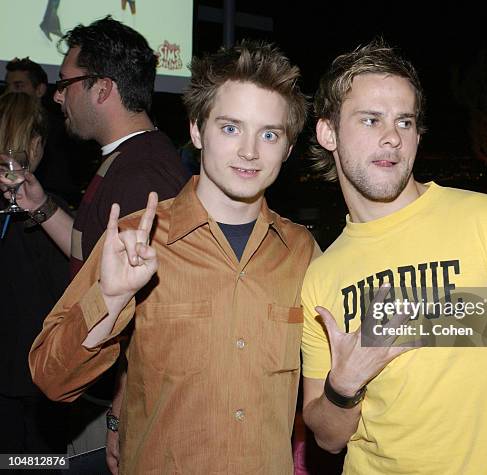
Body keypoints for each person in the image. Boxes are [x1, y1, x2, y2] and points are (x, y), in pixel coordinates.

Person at [300, 39, 487, 475]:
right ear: (328, 133)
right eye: (370, 119)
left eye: (405, 121)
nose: (391, 137)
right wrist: (343, 385)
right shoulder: (322, 276)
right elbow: (326, 436)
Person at [29, 40, 318, 474]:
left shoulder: (301, 251)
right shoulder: (134, 236)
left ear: (288, 149)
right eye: (230, 127)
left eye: (270, 134)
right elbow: (51, 379)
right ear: (198, 130)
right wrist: (109, 301)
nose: (249, 151)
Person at [10, 17, 188, 472]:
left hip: (108, 399)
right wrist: (39, 204)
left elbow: (150, 315)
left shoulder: (143, 174)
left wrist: (117, 414)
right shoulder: (128, 160)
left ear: (102, 88)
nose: (56, 94)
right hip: (93, 387)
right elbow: (95, 258)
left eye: (66, 82)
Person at [0, 93, 69, 465]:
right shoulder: (51, 211)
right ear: (36, 144)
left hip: (26, 374)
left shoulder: (42, 207)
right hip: (42, 370)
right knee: (43, 462)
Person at [5, 57, 77, 204]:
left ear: (40, 90)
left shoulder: (60, 128)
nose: (11, 91)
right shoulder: (4, 121)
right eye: (8, 86)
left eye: (19, 85)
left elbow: (62, 182)